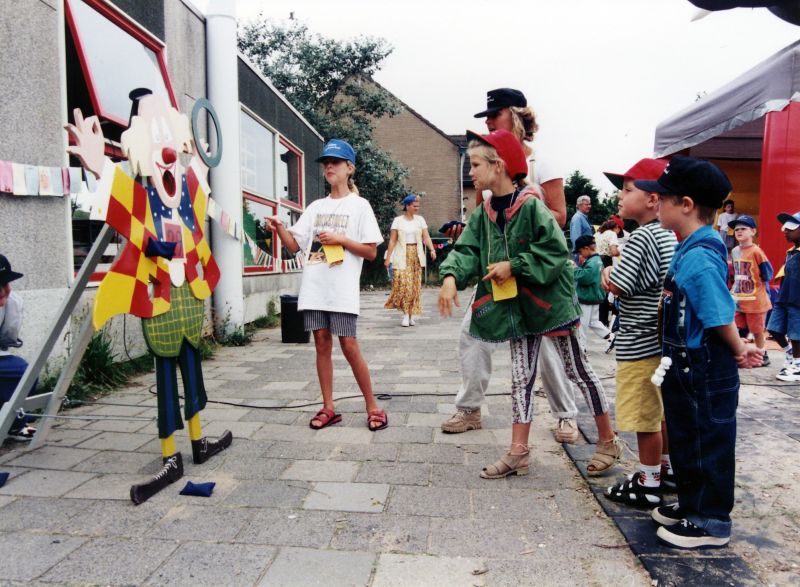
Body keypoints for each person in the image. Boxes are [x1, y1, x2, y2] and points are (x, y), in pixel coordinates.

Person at [65, 91, 232, 505]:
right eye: (158, 142)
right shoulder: (142, 199)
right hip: (160, 302)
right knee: (165, 379)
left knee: (193, 371)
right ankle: (170, 455)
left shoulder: (187, 189)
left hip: (189, 297)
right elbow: (115, 190)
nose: (168, 152)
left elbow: (202, 178)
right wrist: (98, 163)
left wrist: (205, 154)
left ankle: (199, 441)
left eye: (170, 140)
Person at [438, 129, 620, 479]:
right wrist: (450, 276)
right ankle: (518, 452)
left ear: (498, 166)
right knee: (521, 377)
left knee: (578, 371)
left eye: (475, 164)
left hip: (552, 306)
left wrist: (514, 265)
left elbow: (555, 251)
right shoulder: (485, 212)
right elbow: (468, 248)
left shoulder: (532, 206)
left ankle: (608, 440)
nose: (470, 172)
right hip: (518, 309)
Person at [440, 88, 585, 448]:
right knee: (472, 334)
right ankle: (470, 409)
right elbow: (482, 222)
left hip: (535, 276)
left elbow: (559, 218)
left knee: (548, 346)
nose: (489, 121)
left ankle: (565, 414)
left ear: (516, 116)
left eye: (495, 114)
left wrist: (523, 206)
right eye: (487, 117)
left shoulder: (542, 164)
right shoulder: (486, 167)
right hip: (497, 275)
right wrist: (454, 267)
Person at [637, 155, 761, 549]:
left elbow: (717, 313)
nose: (656, 203)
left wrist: (740, 348)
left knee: (709, 441)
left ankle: (711, 520)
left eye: (663, 198)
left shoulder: (699, 255)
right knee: (688, 437)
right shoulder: (690, 246)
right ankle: (692, 504)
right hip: (685, 364)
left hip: (704, 366)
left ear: (686, 204)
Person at [267, 139, 388, 431]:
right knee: (321, 342)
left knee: (349, 344)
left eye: (335, 162)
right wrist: (280, 228)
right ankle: (328, 407)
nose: (329, 167)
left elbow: (371, 252)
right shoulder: (316, 207)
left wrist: (341, 240)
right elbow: (294, 246)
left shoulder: (360, 206)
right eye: (326, 163)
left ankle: (373, 405)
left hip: (341, 291)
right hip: (315, 288)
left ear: (350, 168)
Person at [599, 158, 678, 509]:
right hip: (660, 340)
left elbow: (620, 284)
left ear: (652, 199)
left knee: (644, 416)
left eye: (628, 189)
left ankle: (647, 483)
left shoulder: (641, 237)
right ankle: (666, 469)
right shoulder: (667, 235)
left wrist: (606, 275)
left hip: (638, 341)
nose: (620, 196)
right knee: (660, 412)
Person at [384, 194, 436, 326]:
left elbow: (426, 237)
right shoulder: (398, 221)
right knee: (404, 285)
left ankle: (410, 314)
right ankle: (406, 314)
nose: (417, 208)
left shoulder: (420, 220)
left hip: (416, 256)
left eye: (418, 206)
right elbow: (392, 241)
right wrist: (388, 258)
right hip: (401, 255)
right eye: (414, 206)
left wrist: (432, 249)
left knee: (414, 286)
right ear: (407, 206)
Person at [0, 255, 37, 441]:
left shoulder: (11, 302)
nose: (4, 290)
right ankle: (15, 423)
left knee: (26, 372)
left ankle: (14, 423)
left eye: (6, 283)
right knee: (21, 370)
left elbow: (6, 339)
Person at [729, 215, 773, 366]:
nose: (739, 231)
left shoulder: (756, 251)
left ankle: (762, 354)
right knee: (737, 327)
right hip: (738, 297)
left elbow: (767, 273)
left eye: (743, 229)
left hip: (755, 299)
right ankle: (742, 354)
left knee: (757, 330)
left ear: (753, 231)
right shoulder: (735, 251)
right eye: (736, 230)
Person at [767, 211, 800, 382]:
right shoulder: (790, 252)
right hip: (783, 298)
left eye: (791, 228)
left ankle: (798, 365)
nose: (785, 231)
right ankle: (790, 354)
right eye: (785, 228)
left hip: (797, 301)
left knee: (796, 334)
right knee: (773, 328)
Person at [573, 235, 612, 345]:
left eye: (580, 251)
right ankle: (611, 337)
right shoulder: (597, 260)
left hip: (587, 297)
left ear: (586, 248)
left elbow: (585, 278)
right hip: (594, 296)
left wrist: (575, 269)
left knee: (582, 325)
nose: (580, 254)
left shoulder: (592, 262)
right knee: (593, 322)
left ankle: (581, 348)